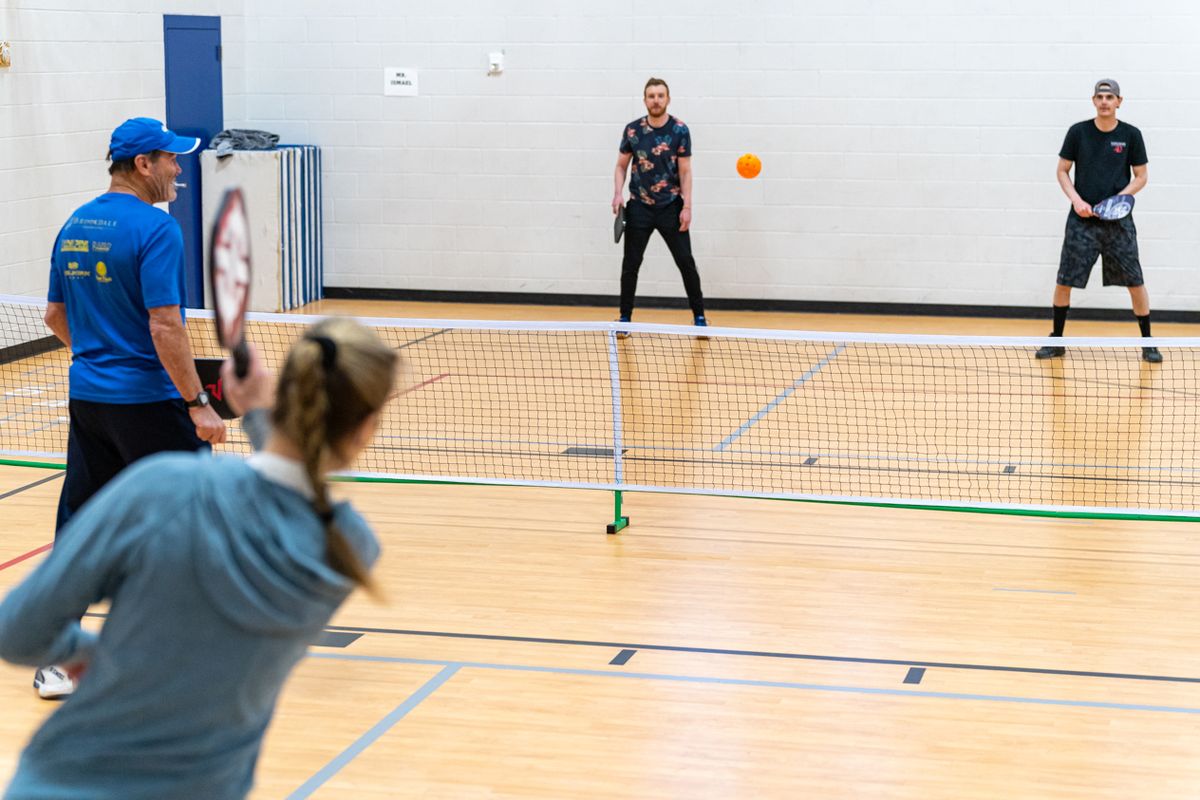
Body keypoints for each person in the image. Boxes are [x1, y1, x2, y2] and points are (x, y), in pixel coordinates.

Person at [0, 318, 399, 800]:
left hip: (64, 784)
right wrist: (256, 416)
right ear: (366, 428)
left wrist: (96, 655)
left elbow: (18, 632)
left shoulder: (162, 486)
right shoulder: (350, 547)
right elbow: (283, 488)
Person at [35, 117, 227, 698]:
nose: (178, 168)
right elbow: (166, 325)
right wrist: (198, 403)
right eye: (170, 159)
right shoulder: (156, 229)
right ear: (142, 164)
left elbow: (53, 316)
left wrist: (101, 358)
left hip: (90, 398)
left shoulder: (75, 224)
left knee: (81, 526)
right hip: (148, 403)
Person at [1036, 79, 1160, 363]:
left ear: (1119, 101)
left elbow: (1141, 177)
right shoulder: (1078, 132)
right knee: (1064, 280)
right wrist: (1077, 201)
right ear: (1093, 101)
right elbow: (1062, 171)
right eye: (1100, 96)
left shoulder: (1132, 135)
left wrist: (1118, 200)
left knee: (1135, 280)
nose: (1104, 101)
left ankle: (1148, 343)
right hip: (1082, 222)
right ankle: (1056, 339)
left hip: (1119, 223)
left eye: (1110, 97)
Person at [611, 77, 707, 335]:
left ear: (668, 99)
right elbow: (621, 165)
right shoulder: (632, 130)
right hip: (639, 207)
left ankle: (699, 318)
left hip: (670, 207)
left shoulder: (680, 130)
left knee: (686, 261)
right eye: (651, 96)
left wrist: (687, 207)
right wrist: (617, 194)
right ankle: (624, 319)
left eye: (660, 95)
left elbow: (685, 172)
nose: (656, 100)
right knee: (631, 263)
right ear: (645, 100)